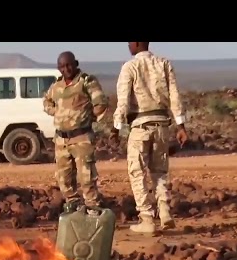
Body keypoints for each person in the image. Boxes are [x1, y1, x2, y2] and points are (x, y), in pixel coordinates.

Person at [111, 42, 189, 235]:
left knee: (137, 172)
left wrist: (116, 128)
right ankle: (164, 211)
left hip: (140, 127)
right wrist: (181, 126)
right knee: (160, 171)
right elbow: (175, 96)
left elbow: (123, 102)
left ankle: (146, 218)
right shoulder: (163, 63)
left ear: (136, 43)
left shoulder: (130, 67)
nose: (128, 46)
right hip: (162, 125)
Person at [43, 51, 109, 212]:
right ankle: (73, 208)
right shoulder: (56, 86)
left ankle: (93, 210)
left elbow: (100, 103)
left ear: (76, 63)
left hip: (82, 137)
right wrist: (56, 112)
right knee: (64, 179)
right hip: (61, 140)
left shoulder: (86, 82)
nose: (66, 69)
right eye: (62, 67)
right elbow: (46, 101)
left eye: (69, 65)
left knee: (86, 178)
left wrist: (87, 117)